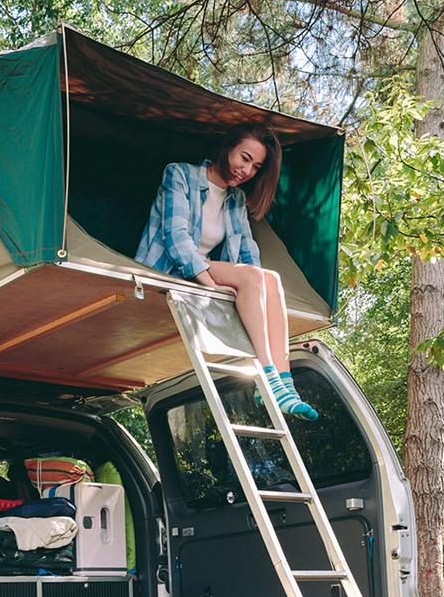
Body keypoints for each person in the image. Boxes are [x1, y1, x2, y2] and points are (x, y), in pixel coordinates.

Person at [136, 124, 318, 420]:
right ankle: (267, 374)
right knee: (252, 278)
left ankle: (284, 382)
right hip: (167, 268)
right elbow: (176, 238)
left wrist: (257, 291)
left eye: (256, 167)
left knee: (270, 279)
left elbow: (248, 252)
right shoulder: (180, 174)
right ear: (228, 147)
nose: (246, 171)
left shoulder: (235, 200)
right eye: (244, 158)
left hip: (198, 270)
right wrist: (210, 285)